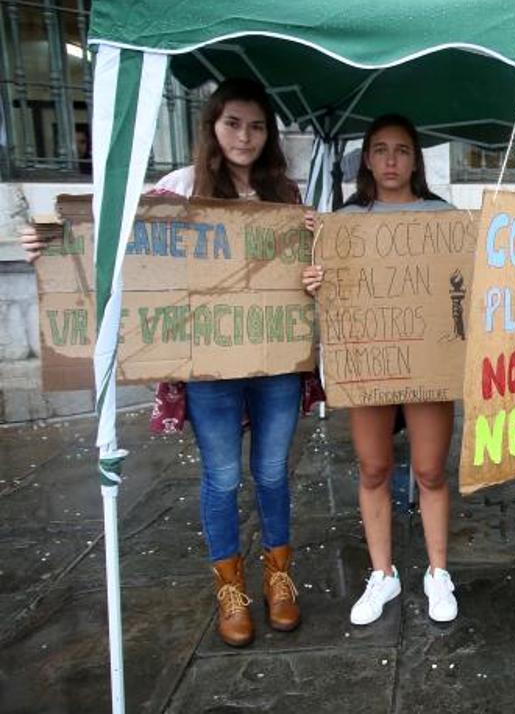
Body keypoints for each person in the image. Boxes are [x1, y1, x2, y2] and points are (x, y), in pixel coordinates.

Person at [22, 78, 308, 648]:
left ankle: (280, 578)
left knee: (273, 471)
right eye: (233, 123)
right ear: (213, 126)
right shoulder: (180, 187)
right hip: (206, 364)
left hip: (275, 359)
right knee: (222, 475)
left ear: (268, 133)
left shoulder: (287, 194)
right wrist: (55, 242)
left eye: (256, 126)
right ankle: (230, 587)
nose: (245, 137)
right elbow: (124, 241)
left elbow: (311, 265)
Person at [302, 114, 459, 626]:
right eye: (381, 150)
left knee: (431, 470)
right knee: (373, 468)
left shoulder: (444, 216)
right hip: (369, 358)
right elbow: (326, 294)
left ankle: (438, 572)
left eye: (402, 150)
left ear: (416, 160)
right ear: (366, 159)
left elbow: (462, 283)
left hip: (427, 359)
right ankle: (382, 573)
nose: (391, 161)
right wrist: (316, 275)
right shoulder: (342, 223)